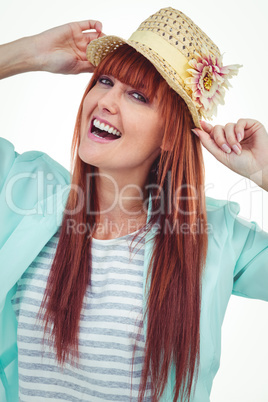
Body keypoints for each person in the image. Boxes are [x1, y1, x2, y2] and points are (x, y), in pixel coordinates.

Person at [0, 6, 267, 402]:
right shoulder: (24, 190)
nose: (105, 101)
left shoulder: (215, 236)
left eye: (137, 96)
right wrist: (27, 54)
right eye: (104, 81)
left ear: (171, 136)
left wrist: (265, 174)